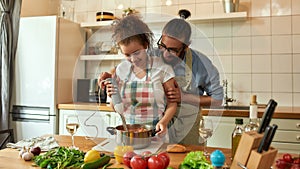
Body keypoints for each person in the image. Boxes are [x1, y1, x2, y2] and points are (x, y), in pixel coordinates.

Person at [103, 15, 177, 137]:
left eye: (137, 53)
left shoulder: (163, 68)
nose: (133, 59)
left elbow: (172, 104)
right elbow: (115, 108)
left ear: (146, 44)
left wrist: (163, 122)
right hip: (127, 133)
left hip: (156, 132)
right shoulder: (121, 70)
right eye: (127, 55)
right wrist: (111, 96)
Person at [156, 12, 224, 144]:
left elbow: (217, 99)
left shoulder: (201, 64)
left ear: (186, 46)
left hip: (188, 129)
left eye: (172, 50)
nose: (165, 53)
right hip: (158, 126)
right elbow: (129, 64)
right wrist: (111, 74)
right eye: (162, 46)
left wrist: (184, 97)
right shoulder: (153, 55)